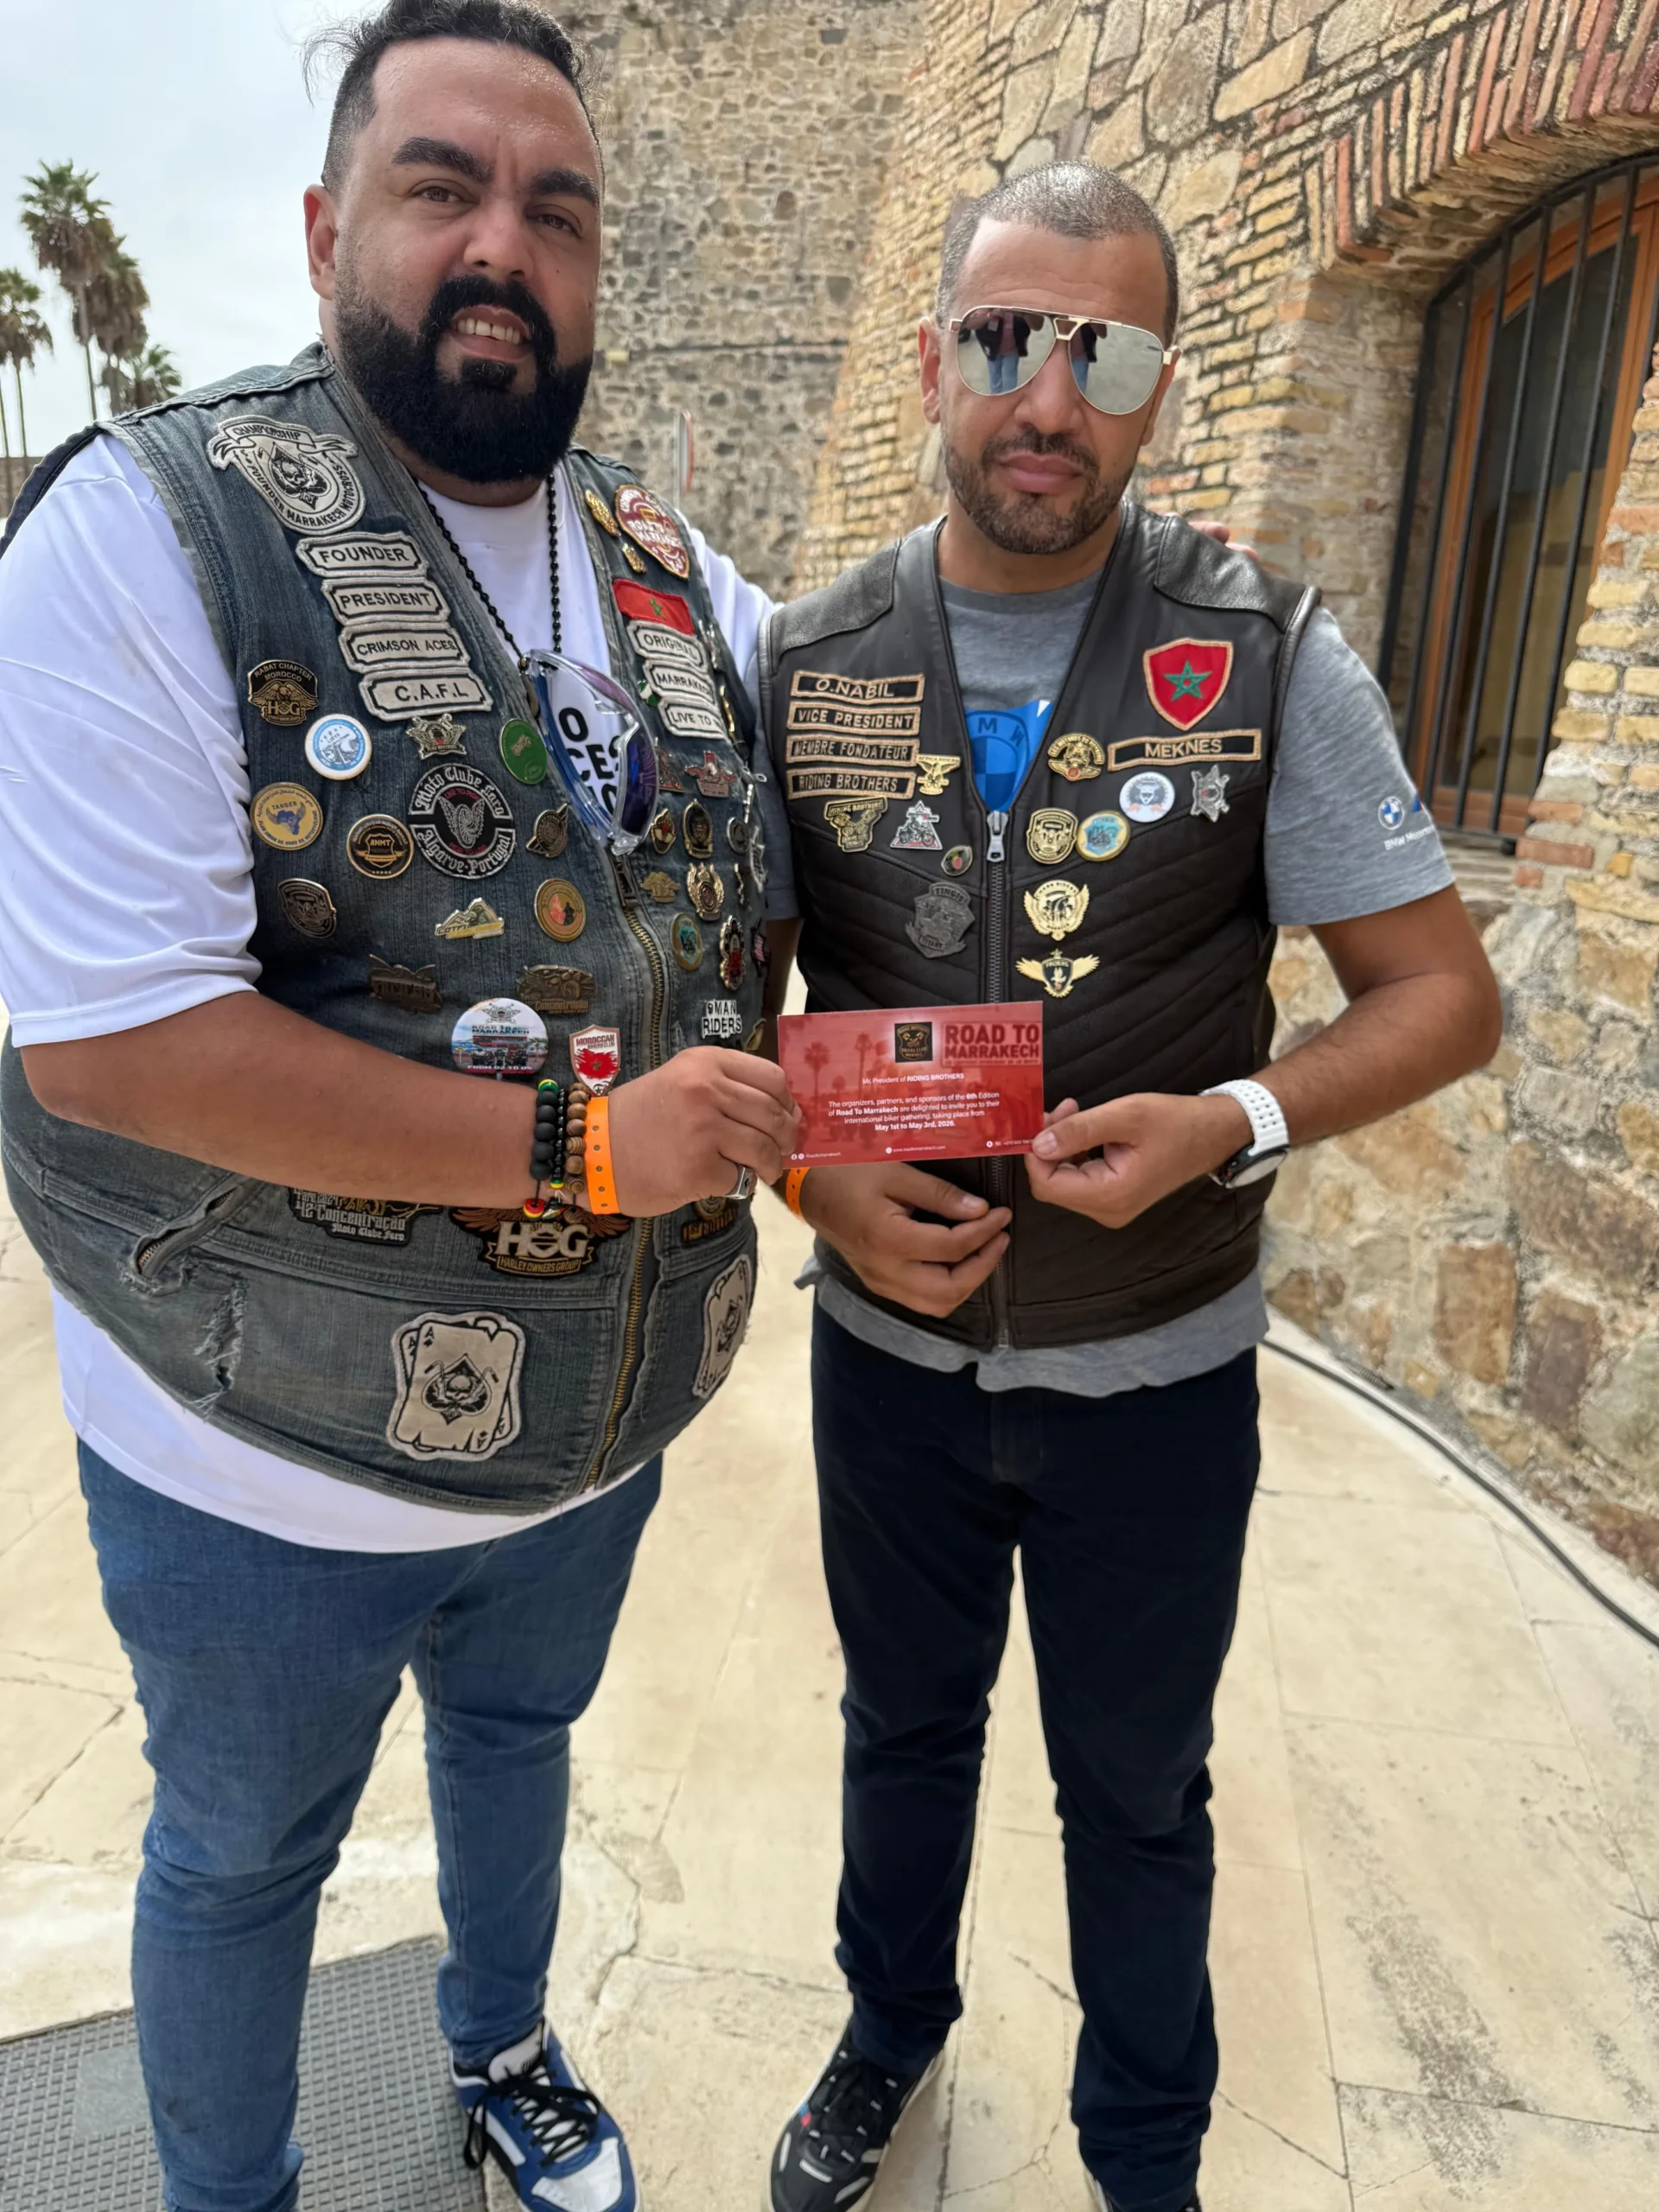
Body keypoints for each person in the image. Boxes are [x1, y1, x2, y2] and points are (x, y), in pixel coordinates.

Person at [0, 7, 802, 2210]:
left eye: (557, 208)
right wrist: (583, 1148)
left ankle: (504, 2049)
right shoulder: (145, 536)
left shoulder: (677, 574)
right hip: (256, 1443)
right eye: (442, 186)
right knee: (243, 1851)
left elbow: (762, 909)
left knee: (520, 1747)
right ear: (325, 223)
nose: (501, 245)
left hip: (593, 1420)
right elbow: (118, 1041)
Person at [755, 162, 1501, 2212]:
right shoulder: (810, 658)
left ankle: (1145, 2153)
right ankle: (887, 2036)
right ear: (934, 359)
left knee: (1140, 1791)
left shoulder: (1261, 649)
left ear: (1162, 387)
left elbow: (1442, 993)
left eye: (1105, 351)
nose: (1048, 396)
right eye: (1007, 338)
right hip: (892, 1365)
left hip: (1160, 1369)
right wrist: (816, 1181)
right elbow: (733, 1011)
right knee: (903, 1732)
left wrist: (1229, 1117)